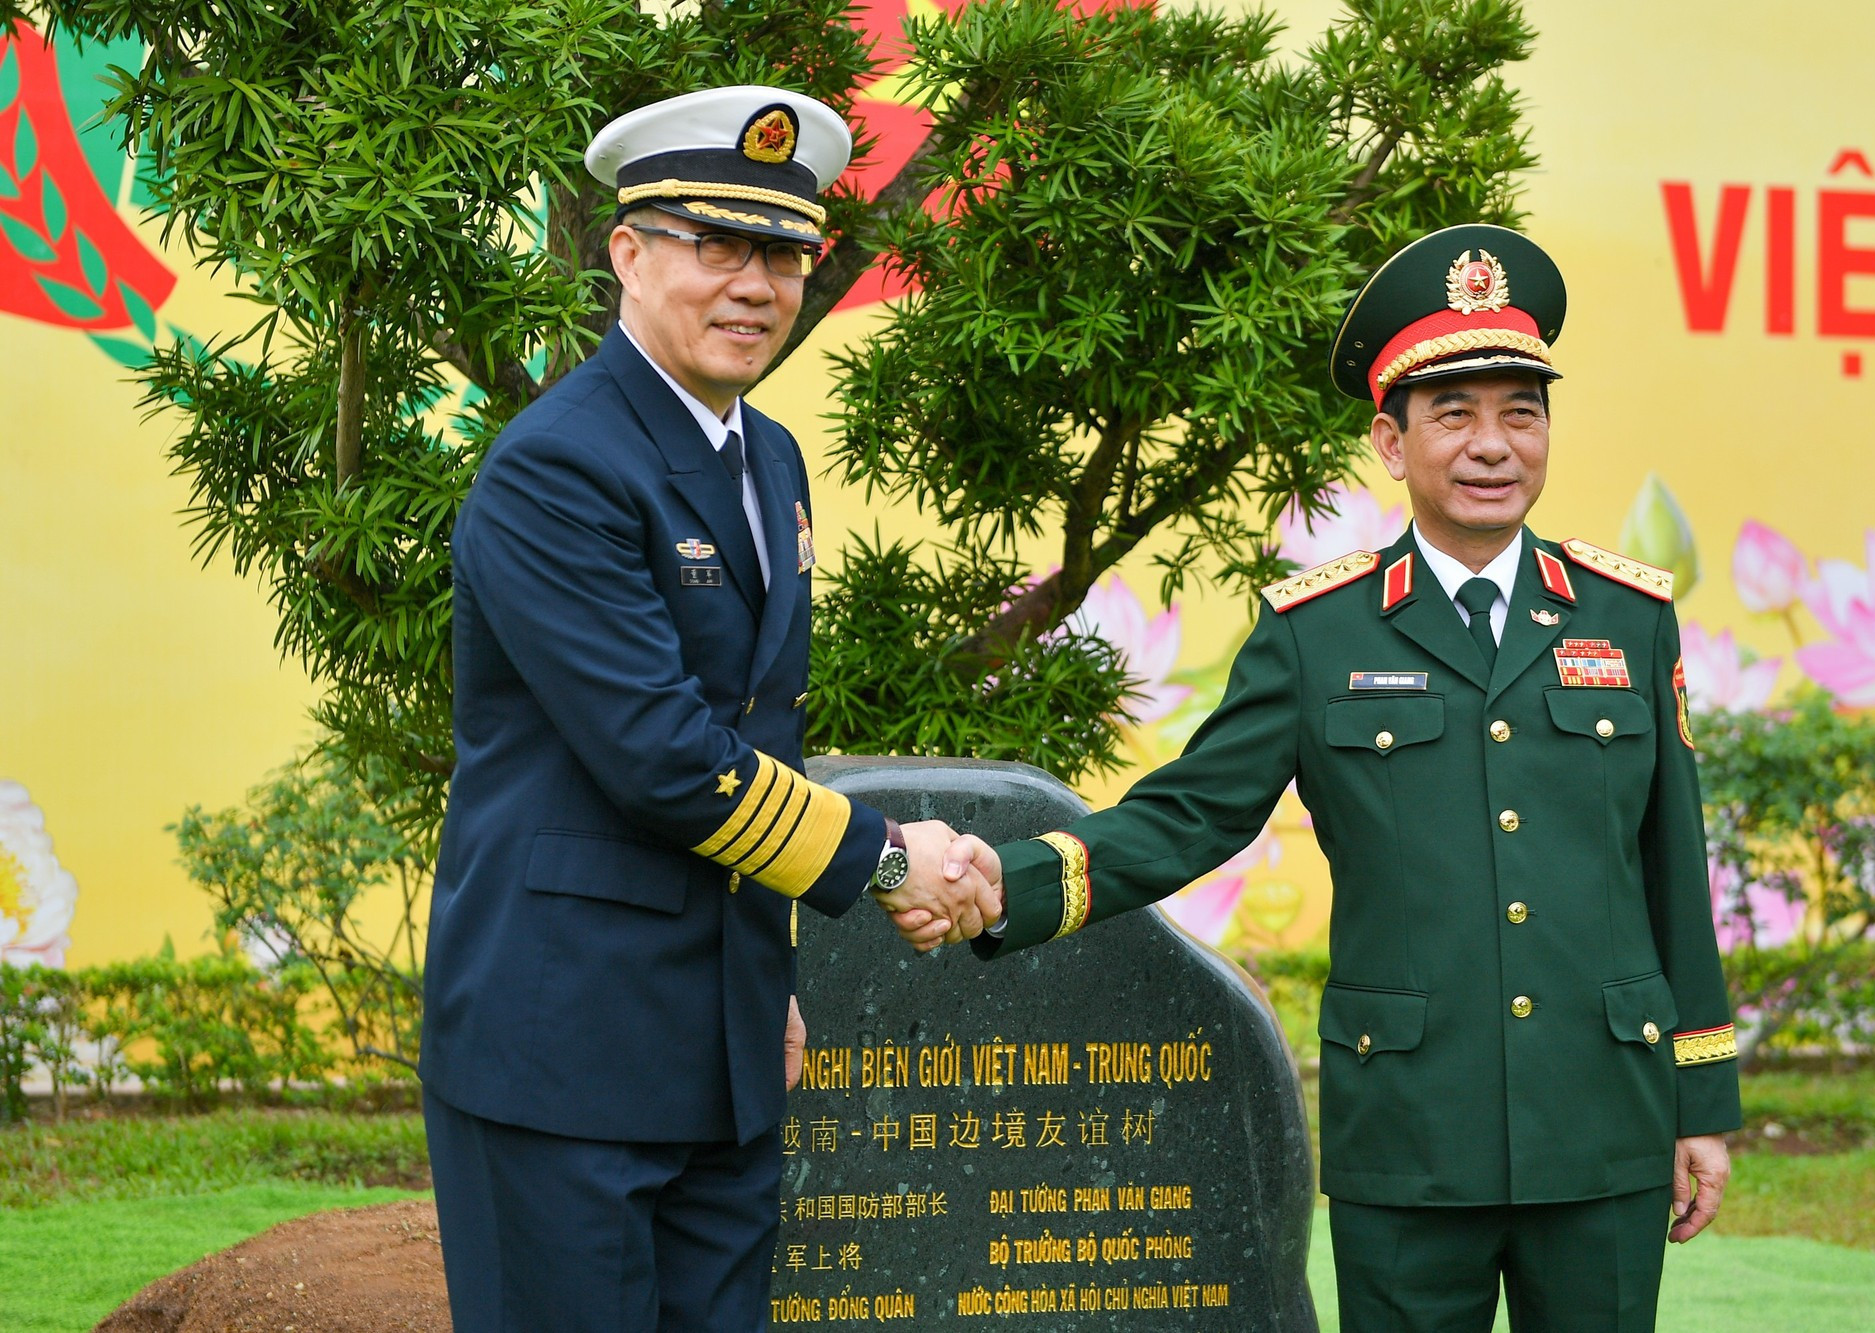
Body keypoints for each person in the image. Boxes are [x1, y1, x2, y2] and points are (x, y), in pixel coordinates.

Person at [898, 224, 1742, 1331]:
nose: (1492, 444)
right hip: (1408, 1127)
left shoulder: (1626, 620)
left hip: (1600, 1122)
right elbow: (1191, 812)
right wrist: (1010, 881)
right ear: (1390, 444)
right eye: (1453, 415)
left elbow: (1671, 868)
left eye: (1519, 412)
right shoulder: (1317, 631)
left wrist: (1700, 1100)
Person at [418, 86, 994, 1331]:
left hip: (718, 1044)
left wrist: (757, 985)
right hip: (559, 1051)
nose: (755, 284)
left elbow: (755, 729)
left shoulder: (767, 455)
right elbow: (664, 758)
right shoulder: (557, 466)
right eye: (715, 244)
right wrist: (889, 859)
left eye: (782, 252)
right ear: (626, 253)